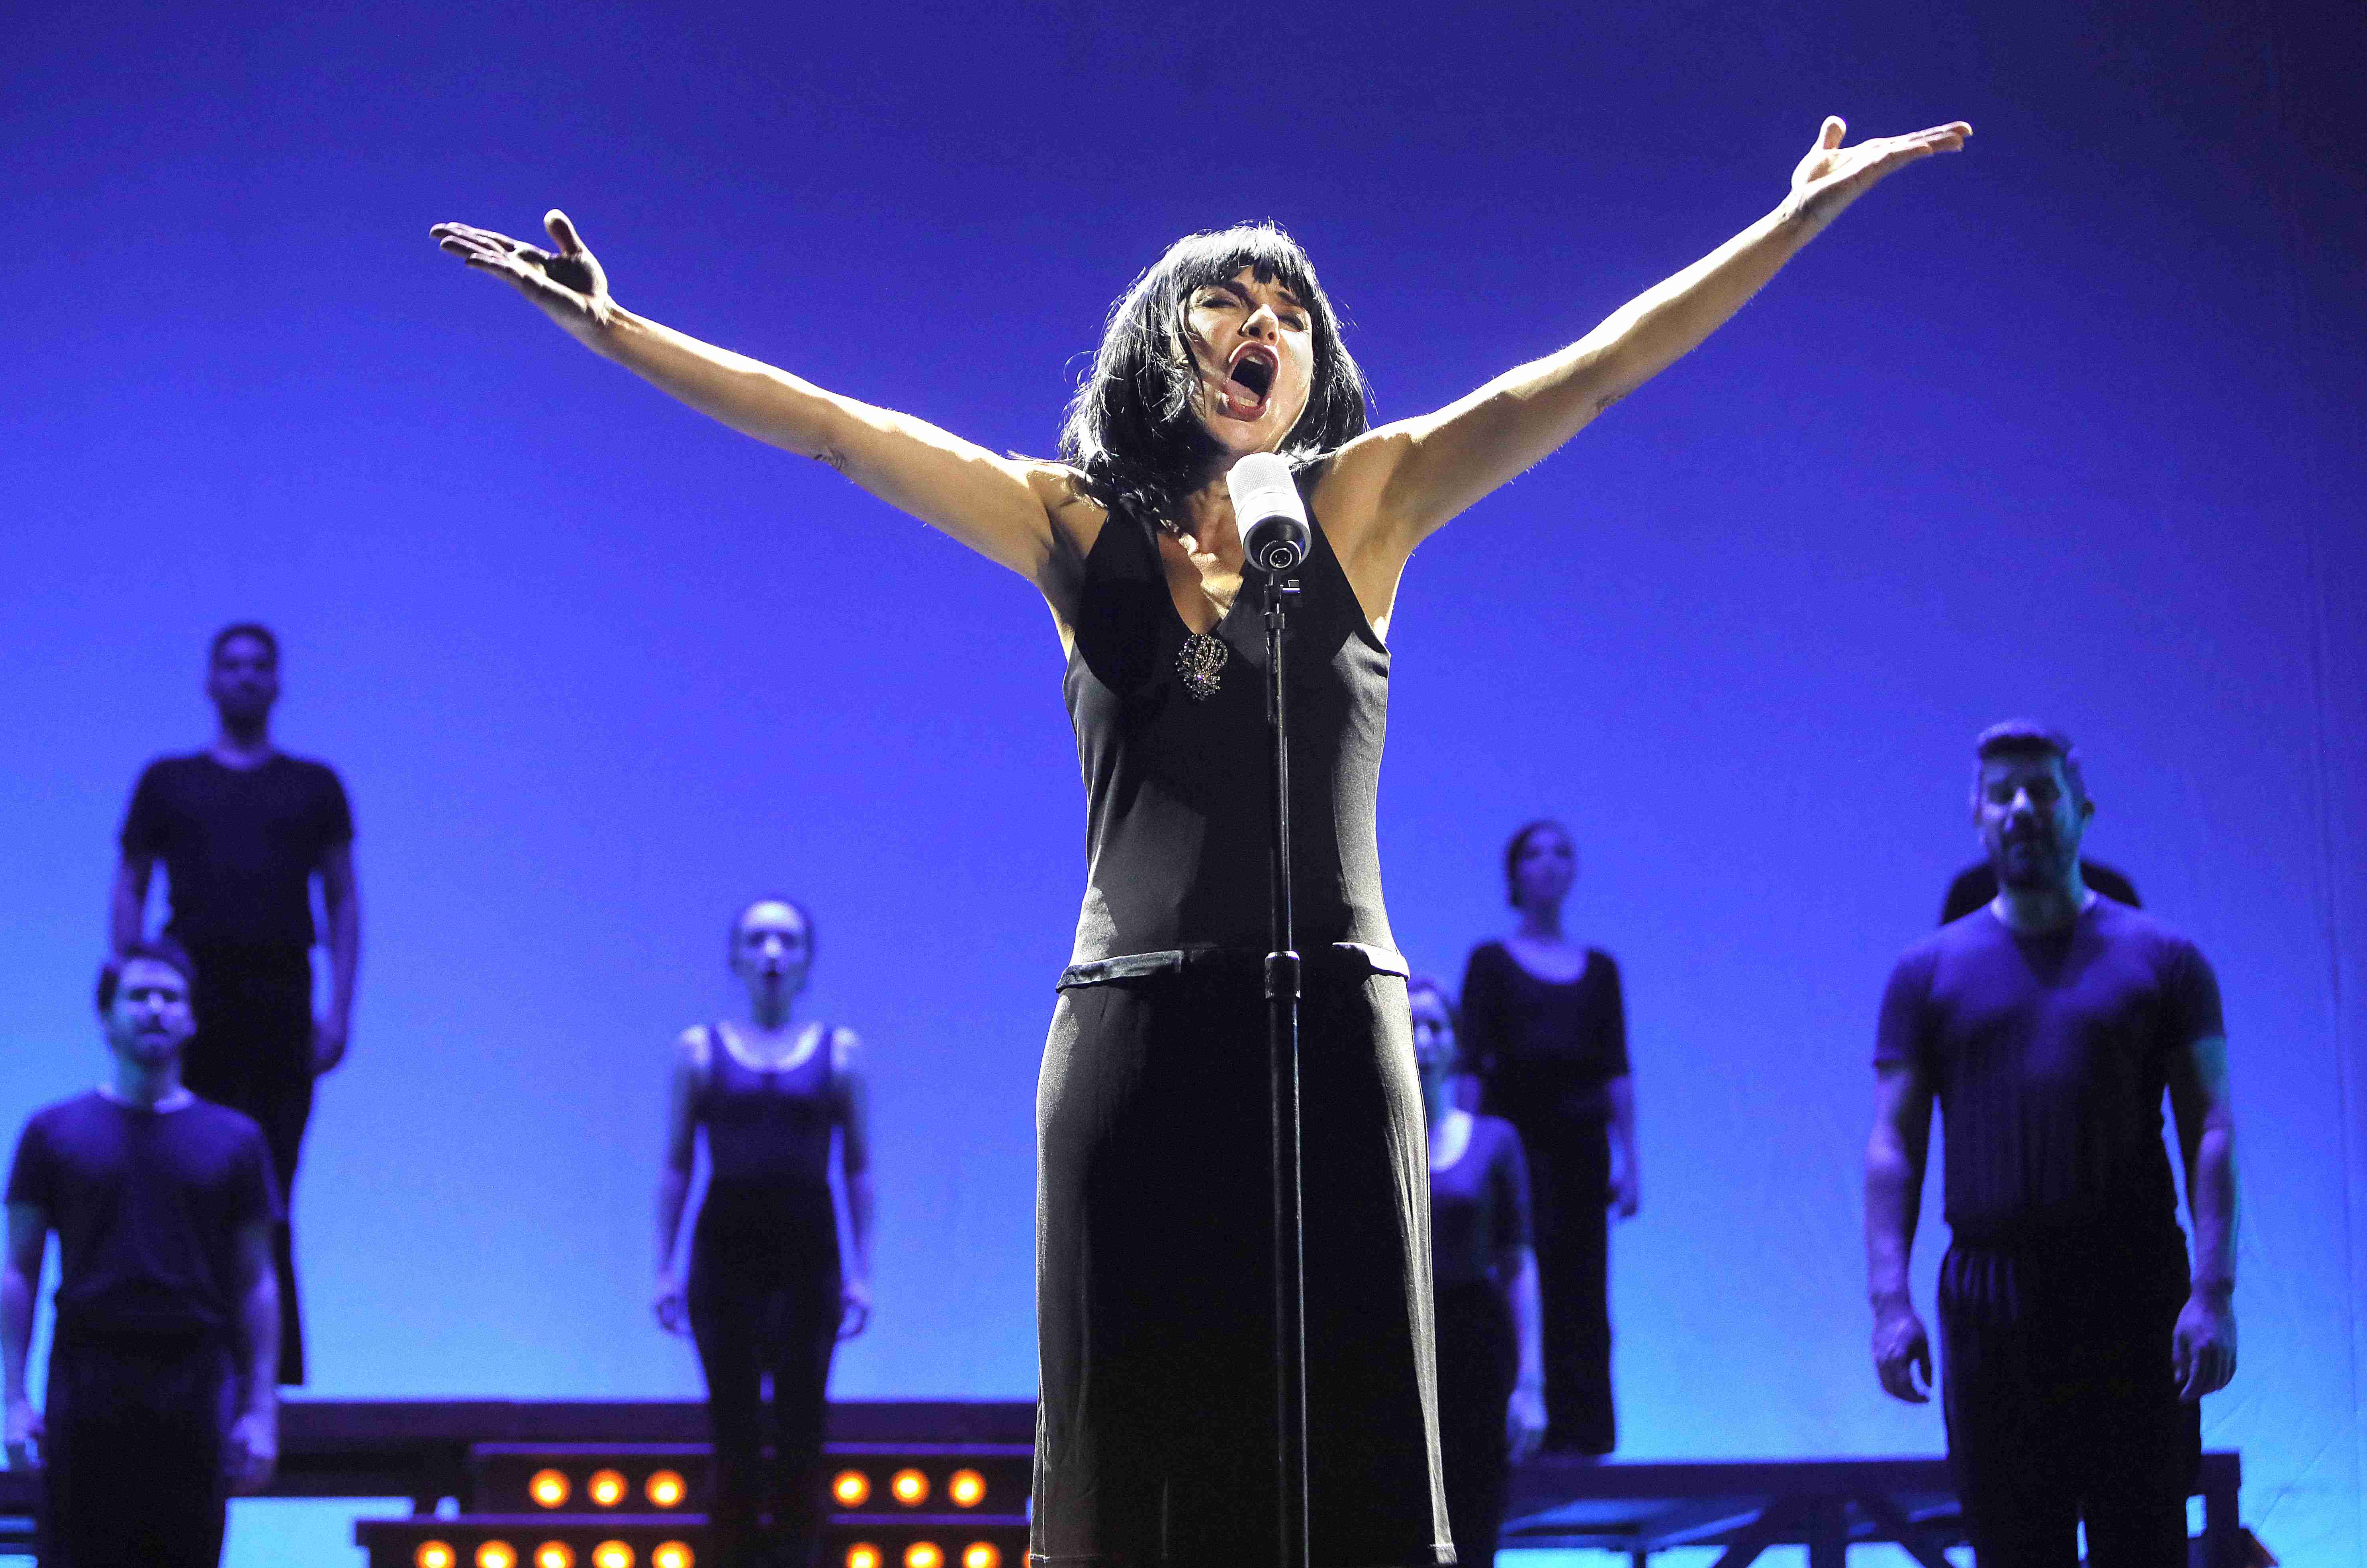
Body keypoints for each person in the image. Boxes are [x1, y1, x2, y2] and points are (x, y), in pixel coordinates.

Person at [433, 108, 1968, 1568]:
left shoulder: (1368, 502)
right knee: (1144, 1444)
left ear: (1315, 361)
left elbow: (1593, 373)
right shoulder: (1070, 527)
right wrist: (617, 332)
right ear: (1162, 346)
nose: (1264, 324)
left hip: (1334, 1027)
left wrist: (1791, 219)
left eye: (1290, 308)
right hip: (1133, 1032)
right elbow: (842, 434)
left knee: (1345, 1445)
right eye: (1227, 302)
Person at [1865, 723, 2237, 1568]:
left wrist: (2210, 1292)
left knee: (2138, 1541)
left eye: (2040, 789)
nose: (2021, 808)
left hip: (2130, 1285)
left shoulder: (2165, 959)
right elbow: (1893, 1141)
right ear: (1976, 812)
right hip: (1990, 1293)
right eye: (2002, 792)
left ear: (2081, 806)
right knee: (2011, 1547)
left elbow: (2208, 1125)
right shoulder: (1925, 973)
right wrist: (1888, 1301)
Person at [111, 620, 357, 1385]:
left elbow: (344, 898)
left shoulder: (312, 786)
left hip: (282, 997)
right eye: (232, 665)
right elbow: (130, 884)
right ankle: (187, 1354)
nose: (246, 677)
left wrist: (340, 1010)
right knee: (190, 1171)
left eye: (260, 666)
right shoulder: (168, 782)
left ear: (277, 683)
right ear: (211, 680)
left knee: (270, 1180)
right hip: (194, 999)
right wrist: (132, 985)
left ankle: (267, 1369)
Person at [0, 940, 280, 1568]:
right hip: (88, 1374)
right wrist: (15, 1398)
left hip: (194, 1380)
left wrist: (262, 1412)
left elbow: (257, 1280)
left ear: (192, 1018)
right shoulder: (54, 1132)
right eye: (138, 995)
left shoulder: (235, 1140)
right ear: (107, 1016)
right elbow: (20, 1268)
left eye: (171, 996)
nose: (155, 1008)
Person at [653, 899, 873, 1568]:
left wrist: (862, 1273)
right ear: (736, 958)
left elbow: (858, 1166)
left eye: (787, 939)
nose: (772, 952)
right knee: (736, 1424)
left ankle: (801, 1558)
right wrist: (664, 1268)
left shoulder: (840, 1052)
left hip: (809, 1249)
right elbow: (677, 1163)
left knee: (804, 1419)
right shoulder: (698, 1051)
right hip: (725, 1250)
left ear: (806, 960)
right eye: (758, 939)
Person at [1456, 819, 1633, 1457]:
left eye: (1564, 851)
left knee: (1583, 1282)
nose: (1550, 863)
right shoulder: (1491, 962)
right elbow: (1470, 1064)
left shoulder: (1601, 969)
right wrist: (1462, 1154)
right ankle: (1510, 1419)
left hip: (1583, 1150)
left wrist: (1633, 1161)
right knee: (1519, 1269)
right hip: (1515, 1149)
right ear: (1514, 873)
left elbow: (1617, 1068)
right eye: (1535, 852)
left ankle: (1583, 1432)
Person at [1409, 978, 1542, 1568]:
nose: (1422, 1039)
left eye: (1436, 1026)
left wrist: (1531, 1382)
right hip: (1398, 1340)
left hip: (1473, 1338)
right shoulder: (1374, 1138)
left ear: (1455, 1042)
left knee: (1474, 1508)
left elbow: (1518, 1260)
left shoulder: (1494, 1140)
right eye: (1410, 1024)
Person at [1938, 854, 2137, 925]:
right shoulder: (1969, 894)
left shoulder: (2113, 894)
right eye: (2005, 795)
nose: (2024, 808)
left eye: (2043, 793)